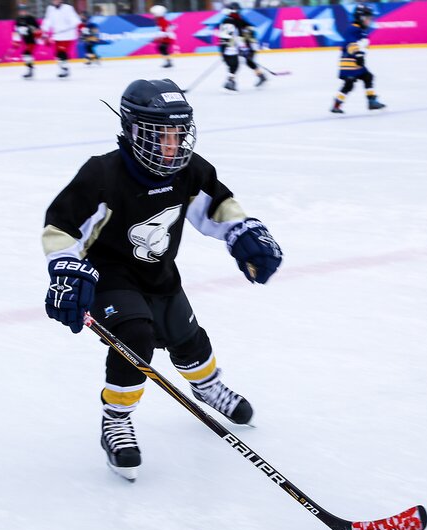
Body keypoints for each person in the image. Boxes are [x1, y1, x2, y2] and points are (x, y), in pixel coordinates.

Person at [41, 78, 283, 481]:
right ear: (133, 132)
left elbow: (217, 206)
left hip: (160, 274)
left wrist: (243, 232)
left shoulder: (189, 170)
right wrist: (65, 269)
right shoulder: (103, 173)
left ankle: (207, 388)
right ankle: (116, 419)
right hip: (110, 277)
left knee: (188, 339)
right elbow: (62, 227)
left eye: (177, 135)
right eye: (158, 136)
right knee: (134, 338)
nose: (170, 146)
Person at [331, 3, 385, 113]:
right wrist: (358, 54)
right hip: (349, 62)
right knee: (349, 84)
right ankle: (337, 104)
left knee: (367, 77)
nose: (369, 21)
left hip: (356, 61)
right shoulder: (353, 29)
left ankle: (371, 100)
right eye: (367, 18)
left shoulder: (360, 30)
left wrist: (360, 54)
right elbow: (351, 43)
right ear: (360, 18)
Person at [217, 2, 266, 91]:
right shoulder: (234, 20)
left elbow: (244, 35)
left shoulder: (236, 20)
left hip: (237, 46)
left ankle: (230, 82)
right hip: (233, 46)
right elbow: (230, 36)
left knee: (237, 64)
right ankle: (260, 76)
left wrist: (246, 46)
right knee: (236, 64)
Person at [41, 0, 81, 79]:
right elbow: (48, 21)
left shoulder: (68, 8)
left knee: (62, 52)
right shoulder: (50, 9)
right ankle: (63, 68)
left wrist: (80, 27)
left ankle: (65, 69)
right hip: (57, 35)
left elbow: (74, 19)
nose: (55, 1)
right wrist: (44, 31)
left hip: (67, 35)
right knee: (57, 54)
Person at [14, 4, 42, 79]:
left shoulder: (31, 18)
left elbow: (38, 30)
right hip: (26, 41)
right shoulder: (18, 19)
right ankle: (30, 69)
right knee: (26, 55)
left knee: (26, 54)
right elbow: (16, 30)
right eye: (20, 11)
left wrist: (29, 30)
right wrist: (16, 41)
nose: (22, 12)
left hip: (32, 40)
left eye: (23, 10)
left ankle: (30, 69)